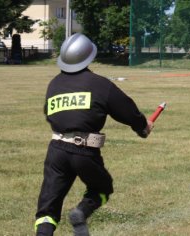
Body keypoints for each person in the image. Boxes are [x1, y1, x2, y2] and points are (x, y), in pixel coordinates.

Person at [34, 33, 153, 236]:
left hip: (56, 151)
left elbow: (49, 113)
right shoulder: (100, 84)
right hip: (84, 151)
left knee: (48, 206)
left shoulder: (54, 84)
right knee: (102, 189)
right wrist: (142, 126)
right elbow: (126, 110)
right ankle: (81, 212)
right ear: (89, 56)